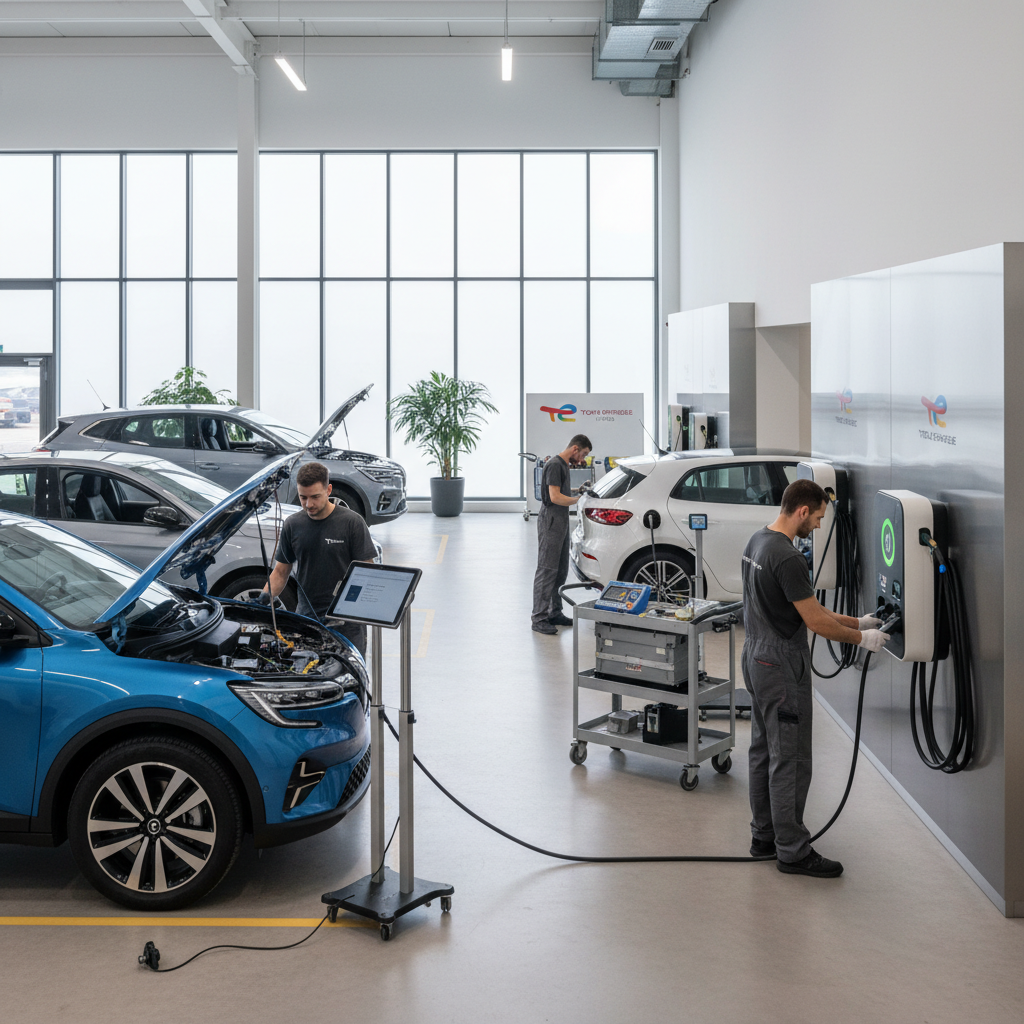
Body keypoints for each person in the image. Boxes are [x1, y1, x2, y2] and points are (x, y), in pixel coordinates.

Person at [741, 477, 889, 878]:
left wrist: (858, 620)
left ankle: (764, 837)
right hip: (780, 663)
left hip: (754, 654)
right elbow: (814, 623)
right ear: (802, 511)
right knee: (789, 759)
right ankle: (792, 851)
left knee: (763, 750)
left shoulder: (758, 541)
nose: (820, 526)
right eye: (819, 517)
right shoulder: (788, 557)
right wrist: (863, 639)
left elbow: (809, 608)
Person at [256, 461, 377, 655]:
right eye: (303, 497)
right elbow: (280, 572)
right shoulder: (293, 524)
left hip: (346, 624)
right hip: (306, 620)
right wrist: (264, 598)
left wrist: (347, 608)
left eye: (315, 497)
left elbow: (366, 573)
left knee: (349, 679)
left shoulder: (352, 523)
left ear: (329, 490)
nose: (308, 504)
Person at [531, 433, 592, 635]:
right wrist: (580, 500)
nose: (582, 460)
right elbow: (555, 497)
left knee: (560, 570)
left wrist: (577, 491)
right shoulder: (556, 464)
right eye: (583, 454)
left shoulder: (564, 465)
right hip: (551, 520)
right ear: (575, 449)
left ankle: (554, 612)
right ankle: (538, 618)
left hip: (561, 520)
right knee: (547, 569)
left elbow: (559, 490)